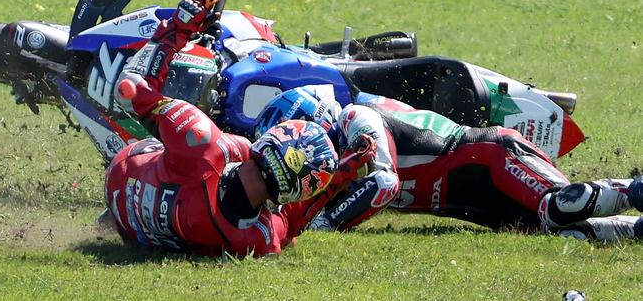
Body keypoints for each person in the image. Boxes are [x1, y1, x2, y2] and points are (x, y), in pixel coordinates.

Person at [101, 0, 373, 256]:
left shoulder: (202, 142)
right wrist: (344, 173)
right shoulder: (257, 241)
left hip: (123, 172)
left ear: (273, 137)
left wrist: (180, 25)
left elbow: (133, 91)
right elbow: (290, 223)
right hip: (133, 231)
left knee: (136, 89)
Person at [254, 85, 643, 241]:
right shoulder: (337, 161)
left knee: (559, 207)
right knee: (566, 234)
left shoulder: (357, 118)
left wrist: (322, 225)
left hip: (491, 156)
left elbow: (383, 184)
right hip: (476, 206)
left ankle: (636, 189)